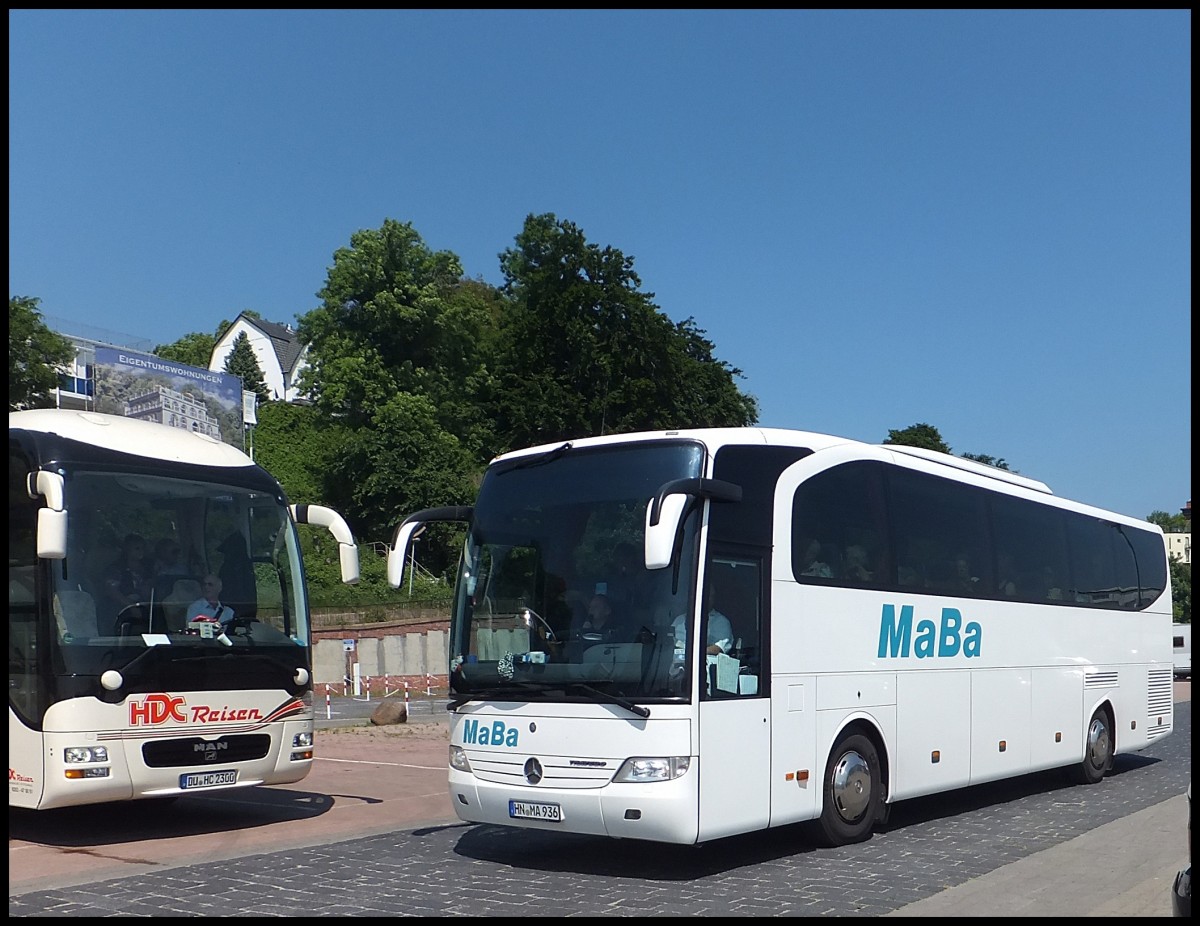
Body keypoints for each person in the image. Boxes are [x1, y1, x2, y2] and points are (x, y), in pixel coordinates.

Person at [101, 533, 153, 631]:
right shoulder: (116, 568)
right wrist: (130, 606)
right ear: (127, 549)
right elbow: (112, 591)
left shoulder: (147, 568)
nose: (141, 551)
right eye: (137, 548)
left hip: (144, 606)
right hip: (120, 607)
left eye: (143, 548)